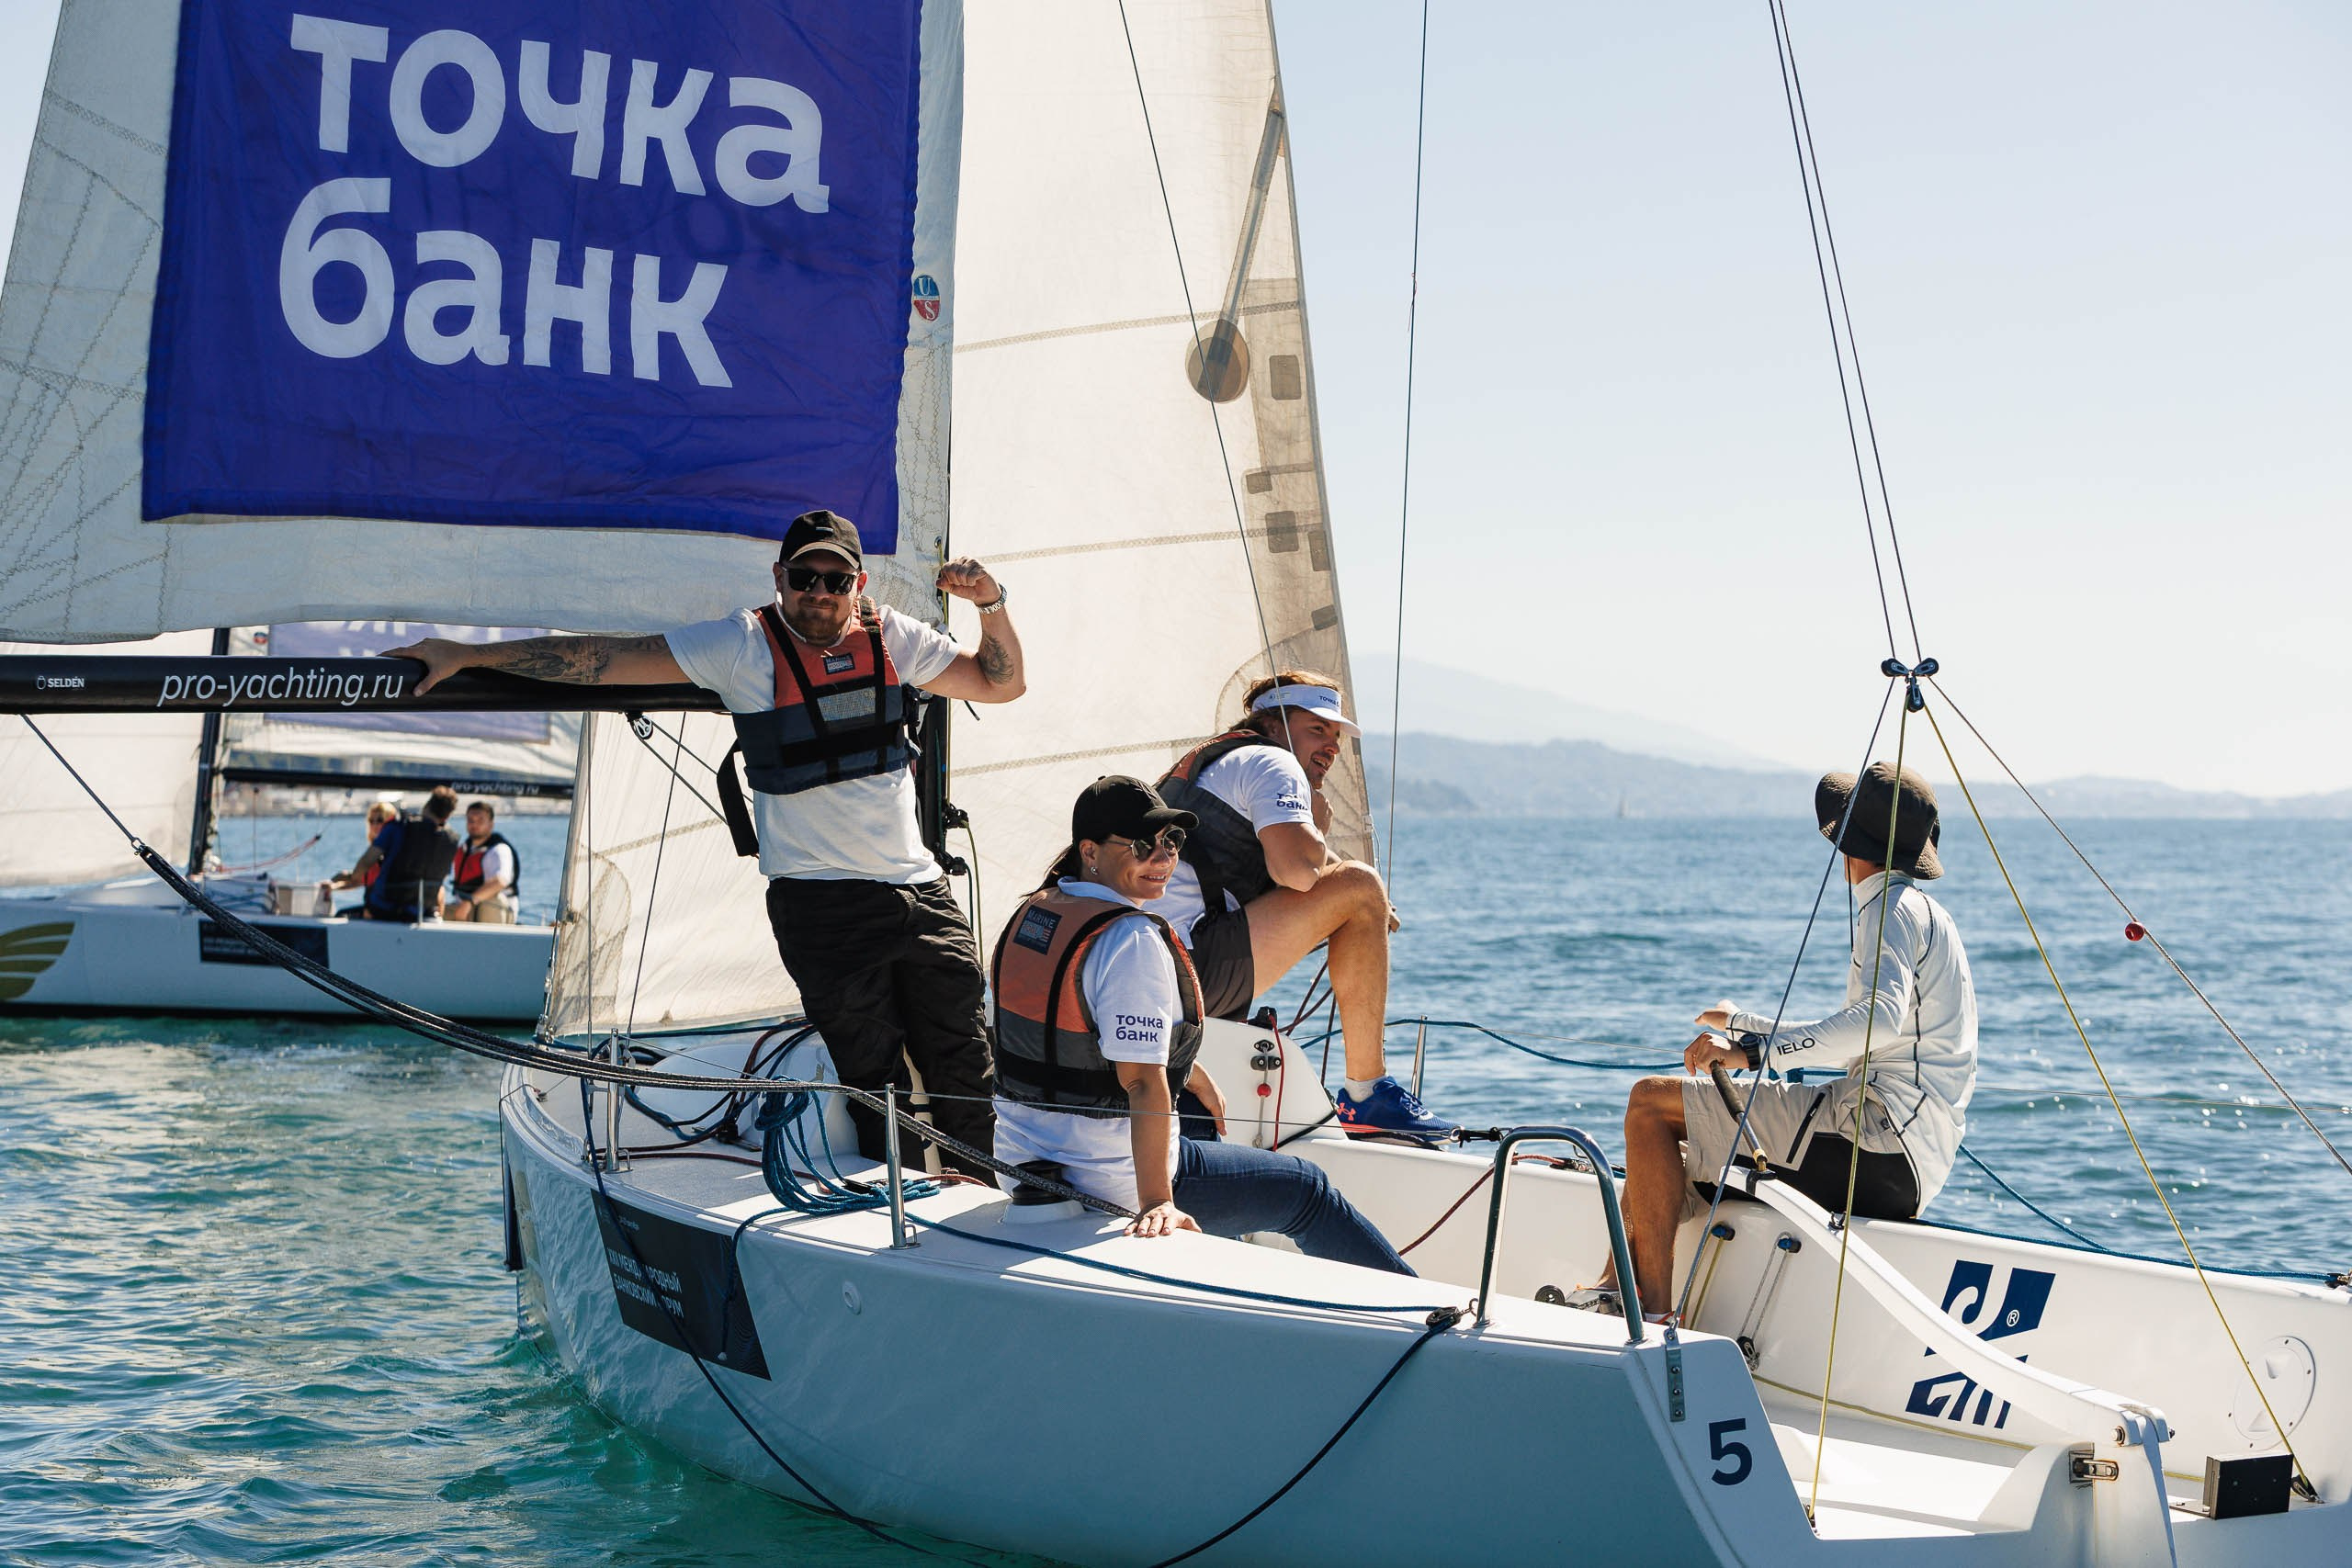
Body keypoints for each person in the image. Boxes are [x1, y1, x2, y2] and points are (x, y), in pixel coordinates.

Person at [384, 509, 1024, 1178]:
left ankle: (976, 1199)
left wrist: (991, 604)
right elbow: (600, 661)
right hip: (824, 907)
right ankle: (901, 1208)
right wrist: (469, 655)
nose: (819, 590)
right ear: (780, 577)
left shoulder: (893, 635)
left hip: (921, 893)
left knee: (965, 1064)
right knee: (872, 1077)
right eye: (804, 575)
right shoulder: (743, 645)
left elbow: (1000, 682)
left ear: (858, 582)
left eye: (835, 579)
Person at [1587, 762, 1978, 1324]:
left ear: (1848, 840)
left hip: (1870, 1139)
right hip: (1911, 1162)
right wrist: (1750, 1024)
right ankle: (1611, 1287)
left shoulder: (1888, 909)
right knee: (1667, 1143)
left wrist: (1748, 1053)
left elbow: (1877, 1021)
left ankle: (1647, 1315)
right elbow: (1867, 1039)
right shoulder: (1928, 914)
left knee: (1649, 1103)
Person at [992, 775, 1413, 1273]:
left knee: (1200, 1117)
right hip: (1106, 1178)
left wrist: (1186, 1070)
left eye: (1171, 842)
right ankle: (1426, 1312)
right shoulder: (1130, 940)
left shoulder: (1034, 916)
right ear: (1090, 850)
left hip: (1023, 1161)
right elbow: (1143, 1082)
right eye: (1143, 845)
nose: (1162, 858)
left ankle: (1220, 1269)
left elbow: (1062, 1035)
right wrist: (1156, 1204)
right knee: (1307, 1189)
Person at [1148, 671, 1455, 1141]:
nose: (1331, 746)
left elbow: (1306, 858)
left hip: (1154, 974)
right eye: (1317, 729)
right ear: (1273, 725)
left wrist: (1368, 898)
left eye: (1335, 736)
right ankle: (1366, 1094)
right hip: (1190, 971)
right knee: (1360, 882)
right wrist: (1346, 869)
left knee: (1359, 885)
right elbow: (1297, 870)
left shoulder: (1227, 761)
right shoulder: (1275, 765)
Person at [335, 786, 463, 922]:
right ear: (448, 816)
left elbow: (367, 861)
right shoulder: (450, 840)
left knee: (341, 915)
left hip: (383, 909)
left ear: (427, 805)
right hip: (423, 912)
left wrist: (353, 877)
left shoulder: (399, 825)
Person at [447, 800, 520, 924]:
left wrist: (469, 902)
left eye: (480, 820)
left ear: (491, 824)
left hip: (496, 909)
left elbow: (500, 881)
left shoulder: (499, 850)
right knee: (434, 913)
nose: (474, 824)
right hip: (463, 907)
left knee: (493, 899)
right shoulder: (463, 849)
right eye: (471, 820)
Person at [329, 799, 399, 912]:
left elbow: (359, 878)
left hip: (380, 911)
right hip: (378, 909)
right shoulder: (380, 853)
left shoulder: (384, 856)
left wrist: (340, 881)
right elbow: (362, 881)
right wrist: (333, 886)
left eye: (380, 820)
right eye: (371, 821)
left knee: (341, 914)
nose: (375, 825)